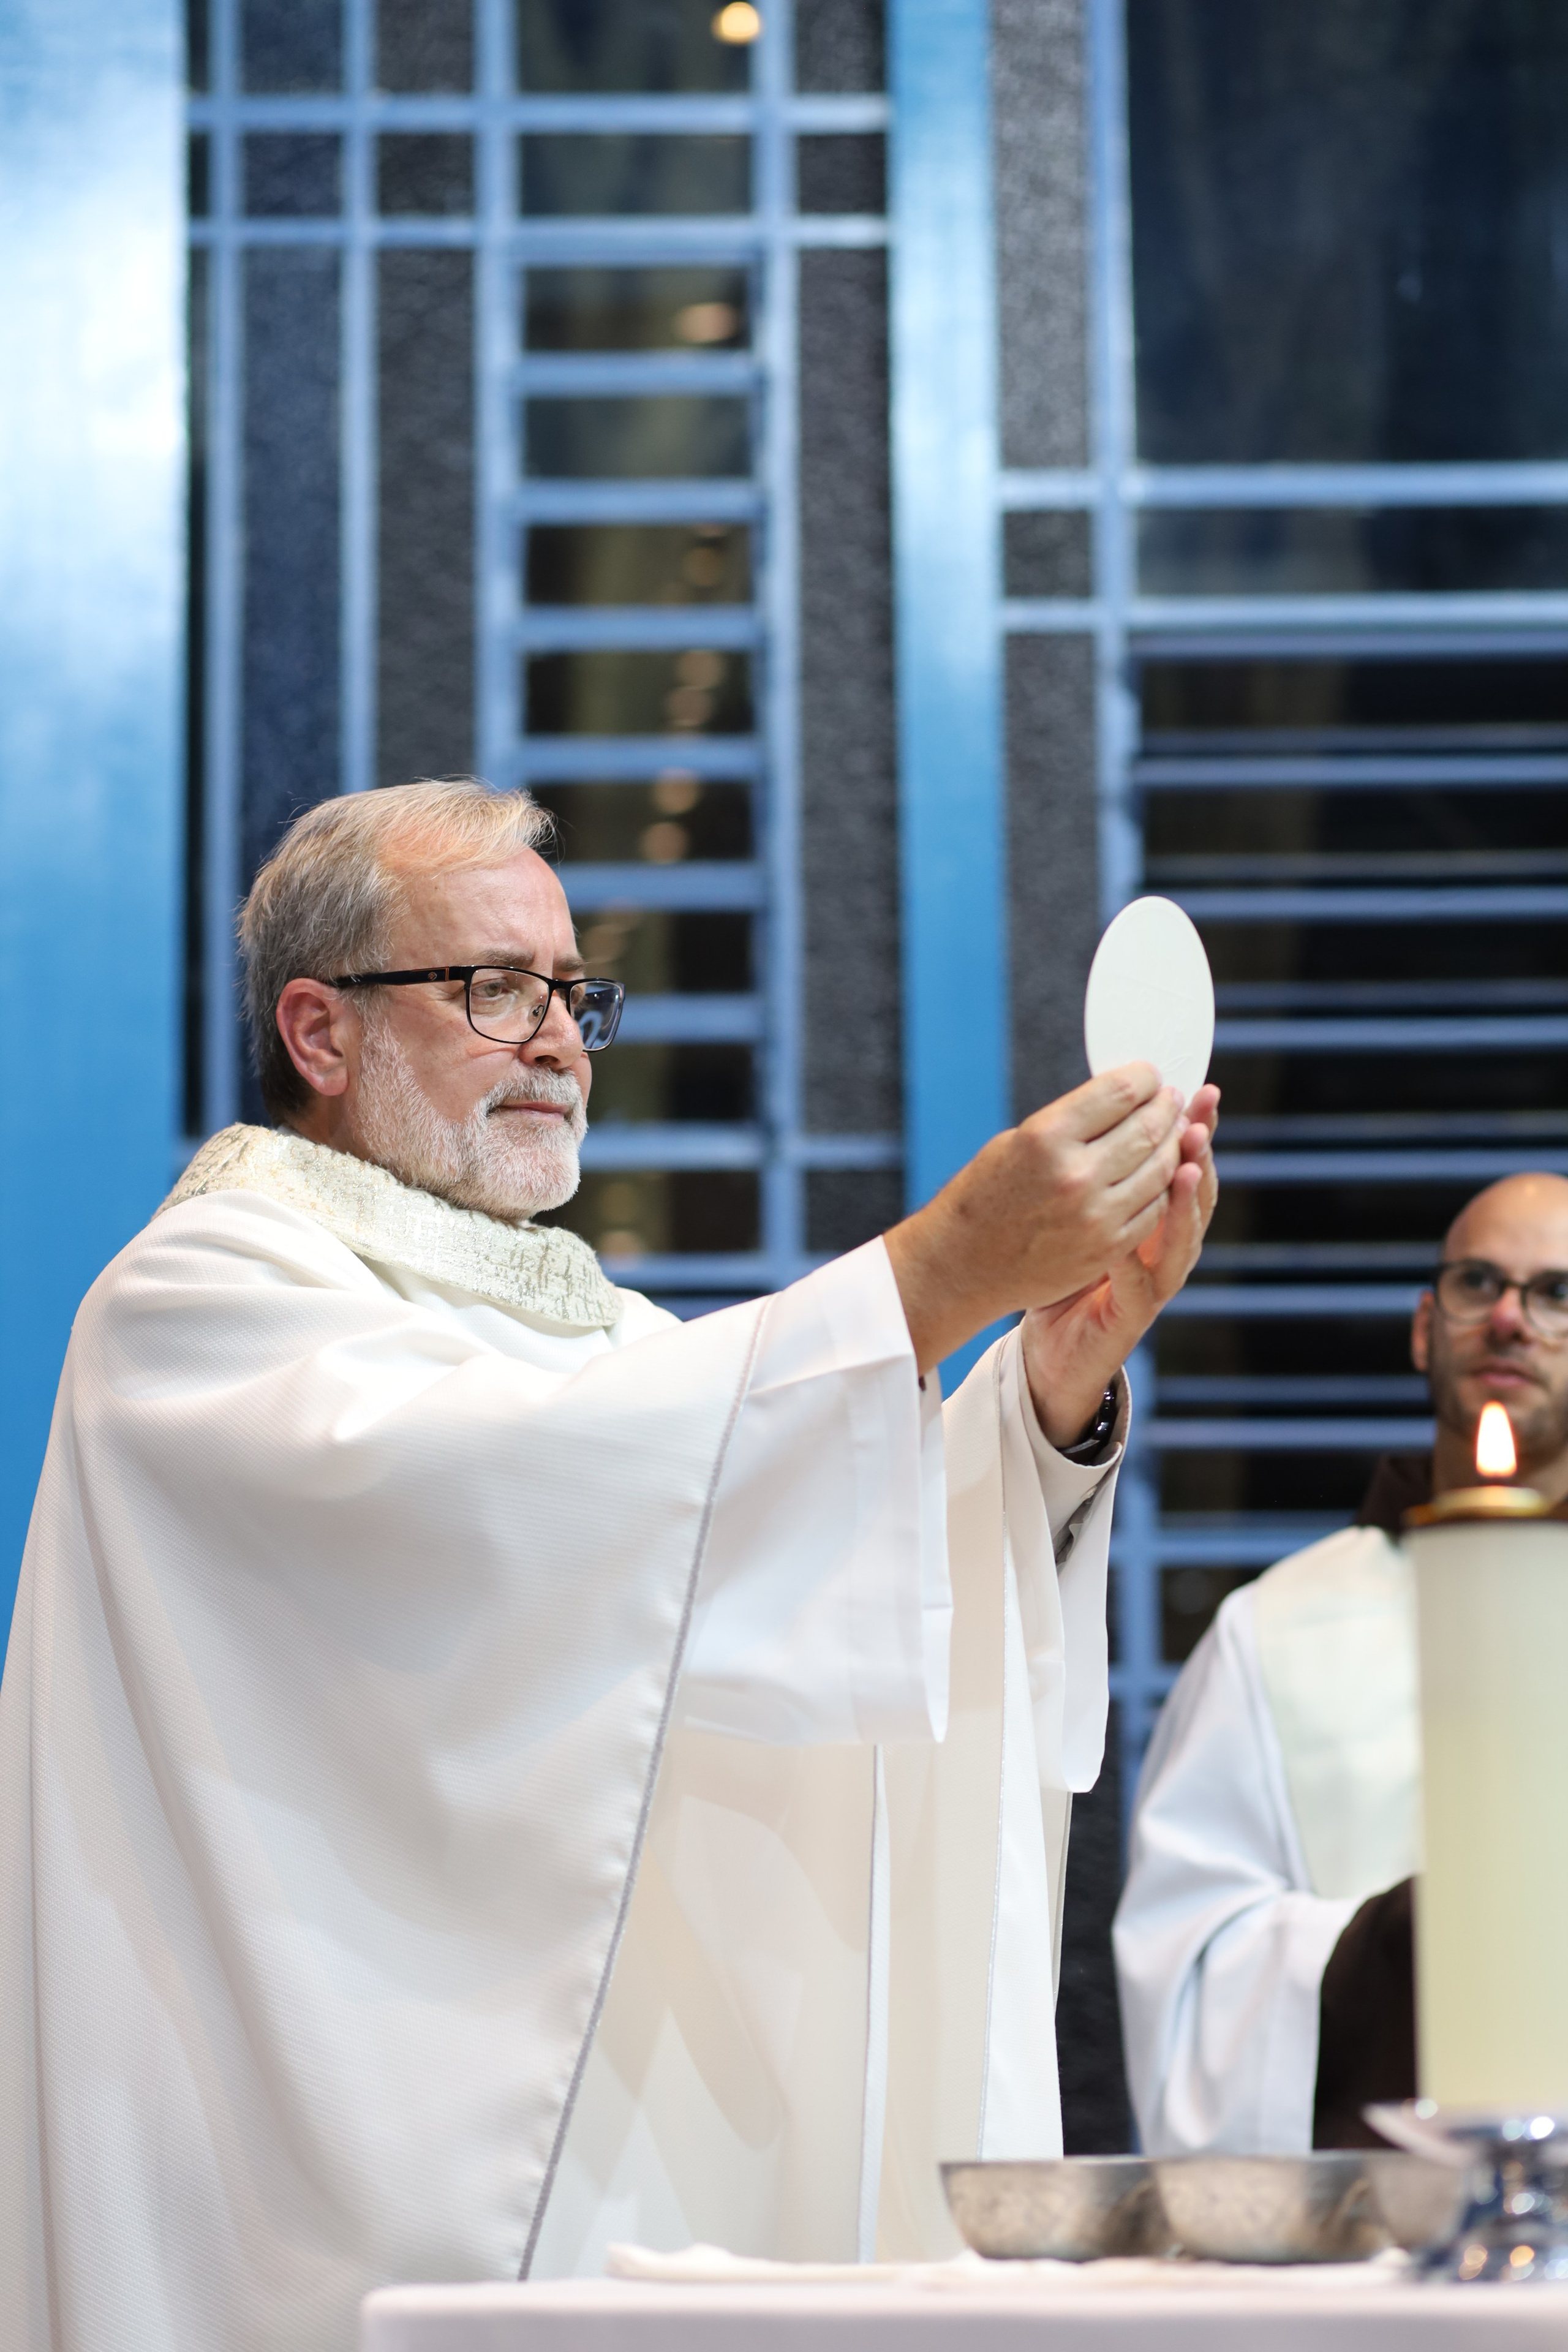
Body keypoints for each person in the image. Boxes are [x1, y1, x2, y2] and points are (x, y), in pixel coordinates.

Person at [0, 780, 1218, 2351]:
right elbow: (495, 1510)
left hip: (621, 2209)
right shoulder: (199, 1307)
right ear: (321, 1033)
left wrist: (1048, 1381)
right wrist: (926, 1276)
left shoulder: (589, 1334)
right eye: (495, 991)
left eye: (573, 994)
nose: (561, 1042)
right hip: (306, 2220)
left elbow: (787, 1564)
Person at [1114, 1171, 1568, 2158]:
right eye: (1476, 1283)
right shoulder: (1274, 1631)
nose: (1508, 1319)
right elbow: (1188, 1967)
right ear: (1422, 1328)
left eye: (1556, 1295)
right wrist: (1403, 1942)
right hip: (1380, 2233)